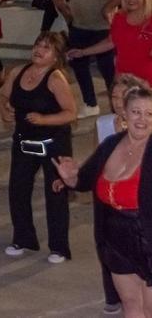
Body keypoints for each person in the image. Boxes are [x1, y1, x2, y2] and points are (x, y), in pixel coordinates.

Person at [52, 85, 152, 317]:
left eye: (149, 113)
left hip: (148, 239)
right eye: (136, 111)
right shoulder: (110, 145)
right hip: (115, 237)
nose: (142, 119)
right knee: (130, 304)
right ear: (124, 113)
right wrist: (70, 178)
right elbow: (85, 179)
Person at [0, 32, 76, 263]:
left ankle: (59, 247)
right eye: (37, 45)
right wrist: (5, 110)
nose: (39, 50)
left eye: (46, 48)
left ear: (55, 57)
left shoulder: (55, 79)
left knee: (56, 194)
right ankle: (23, 239)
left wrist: (44, 120)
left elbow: (71, 113)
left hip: (53, 145)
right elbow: (3, 96)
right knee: (18, 190)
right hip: (23, 142)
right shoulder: (17, 72)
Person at [52, 0, 127, 117]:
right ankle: (90, 103)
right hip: (78, 24)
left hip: (102, 28)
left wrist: (109, 7)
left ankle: (116, 107)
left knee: (108, 69)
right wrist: (63, 7)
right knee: (78, 64)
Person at [68, 0, 152, 85]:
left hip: (147, 78)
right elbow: (110, 42)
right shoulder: (119, 18)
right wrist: (83, 52)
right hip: (122, 76)